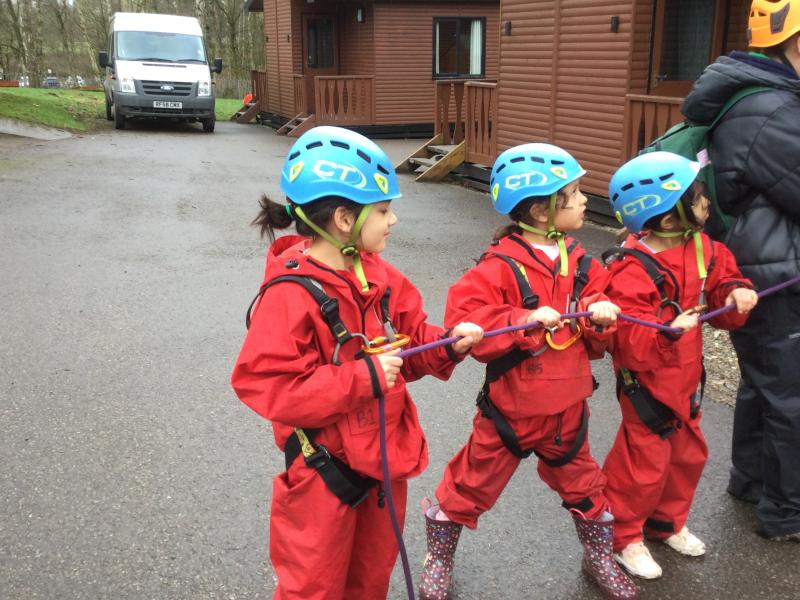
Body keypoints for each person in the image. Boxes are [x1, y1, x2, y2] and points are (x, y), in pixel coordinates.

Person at [230, 126, 483, 600]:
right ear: (345, 219)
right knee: (313, 585)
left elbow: (410, 340)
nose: (393, 220)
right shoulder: (290, 294)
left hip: (384, 463)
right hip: (323, 474)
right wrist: (362, 377)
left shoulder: (380, 277)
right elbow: (267, 384)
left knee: (371, 576)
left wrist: (448, 343)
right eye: (383, 210)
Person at [418, 143, 637, 600]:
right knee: (470, 483)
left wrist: (601, 315)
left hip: (568, 412)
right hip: (509, 413)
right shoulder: (498, 266)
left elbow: (599, 322)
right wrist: (522, 319)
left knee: (586, 486)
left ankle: (598, 556)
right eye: (575, 193)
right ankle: (439, 556)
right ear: (541, 210)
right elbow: (467, 320)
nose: (585, 200)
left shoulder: (582, 262)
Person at [602, 151, 758, 578]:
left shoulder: (703, 247)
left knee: (688, 454)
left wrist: (736, 293)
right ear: (670, 218)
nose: (706, 200)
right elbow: (626, 340)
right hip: (646, 381)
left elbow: (723, 282)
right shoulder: (630, 268)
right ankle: (624, 537)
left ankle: (665, 523)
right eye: (697, 195)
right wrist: (667, 331)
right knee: (643, 461)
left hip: (687, 376)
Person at [682, 0, 800, 540]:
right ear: (794, 42)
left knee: (766, 384)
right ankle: (787, 510)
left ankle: (752, 482)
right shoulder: (773, 109)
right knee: (790, 394)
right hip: (777, 270)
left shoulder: (759, 97)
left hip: (760, 267)